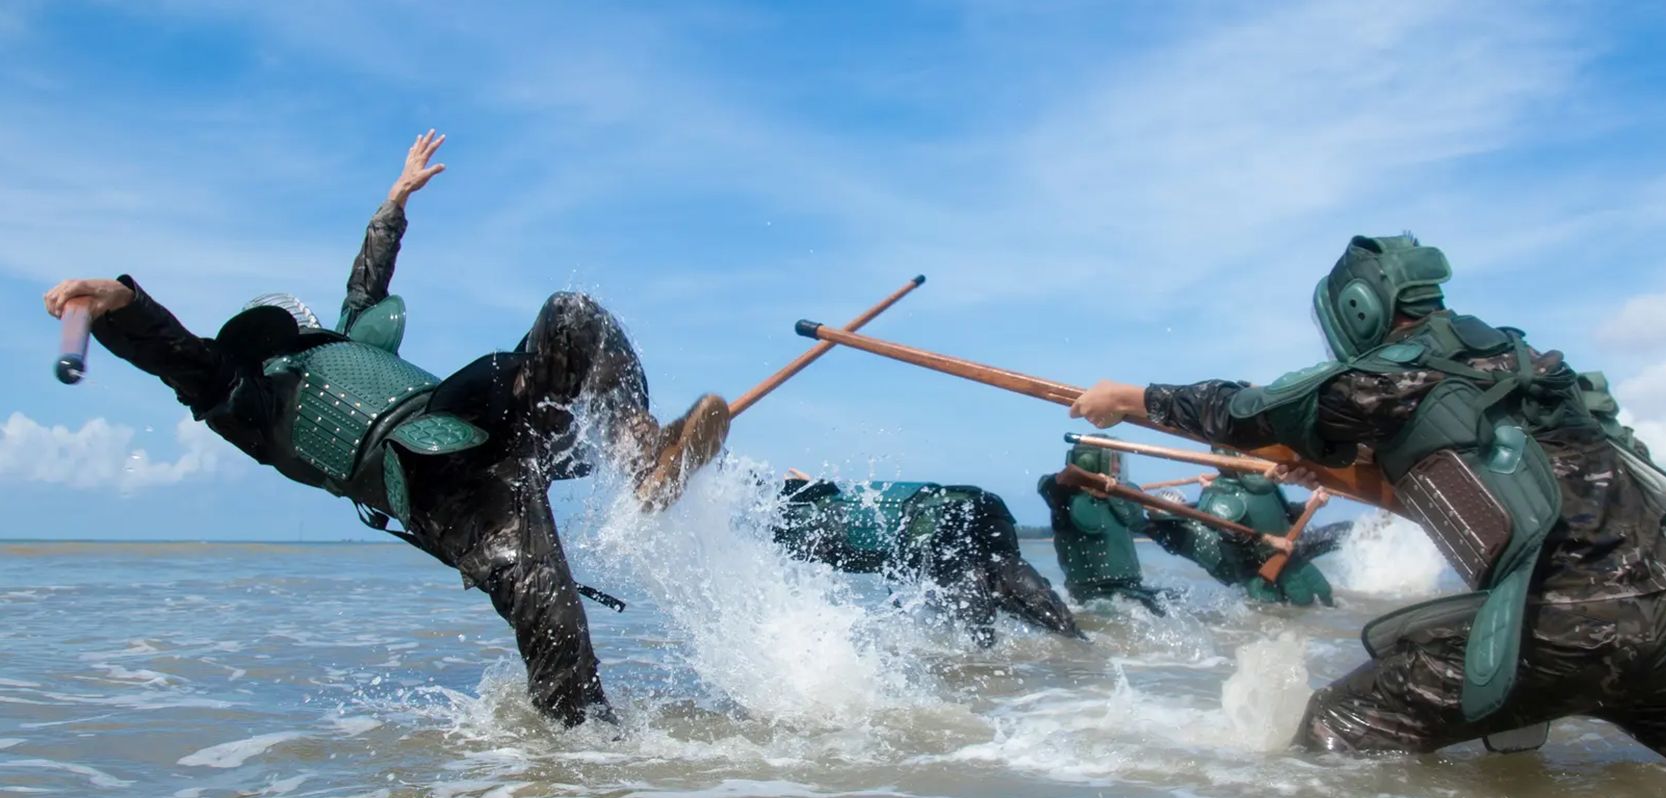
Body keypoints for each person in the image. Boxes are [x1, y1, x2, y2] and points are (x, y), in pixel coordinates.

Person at [40, 132, 731, 727]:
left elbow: (366, 283)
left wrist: (394, 201)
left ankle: (642, 450)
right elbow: (176, 353)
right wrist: (120, 303)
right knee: (563, 655)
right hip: (436, 485)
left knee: (570, 315)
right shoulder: (243, 399)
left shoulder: (349, 342)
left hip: (479, 418)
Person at [1065, 234, 1666, 770]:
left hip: (1549, 632)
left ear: (1358, 310)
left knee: (1320, 747)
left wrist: (1127, 399)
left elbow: (1246, 409)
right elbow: (1483, 482)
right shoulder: (1531, 366)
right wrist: (1332, 469)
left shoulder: (1391, 377)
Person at [772, 472, 1083, 646]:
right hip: (983, 525)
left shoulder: (829, 530)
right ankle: (1086, 656)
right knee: (1063, 633)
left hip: (951, 543)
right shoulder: (842, 515)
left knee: (979, 645)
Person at [1142, 448, 1347, 606]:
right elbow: (1232, 535)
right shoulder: (1218, 496)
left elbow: (1287, 514)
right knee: (1277, 618)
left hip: (1291, 561)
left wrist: (1310, 505)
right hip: (1259, 575)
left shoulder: (1266, 487)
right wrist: (1270, 540)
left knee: (1326, 600)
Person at [1035, 439, 1175, 614]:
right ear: (1094, 460)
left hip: (1129, 587)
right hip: (1090, 593)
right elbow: (1050, 484)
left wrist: (1112, 493)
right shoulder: (1063, 496)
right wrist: (1090, 482)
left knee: (1173, 600)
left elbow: (1137, 521)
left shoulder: (1123, 492)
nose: (1117, 467)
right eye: (1114, 460)